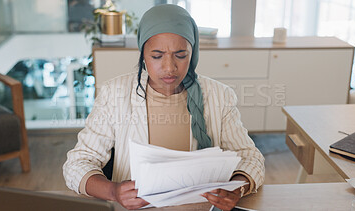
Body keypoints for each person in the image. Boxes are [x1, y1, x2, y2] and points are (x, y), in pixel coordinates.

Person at [63, 4, 265, 211]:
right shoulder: (114, 94)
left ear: (193, 53)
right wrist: (113, 191)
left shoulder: (219, 95)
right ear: (143, 54)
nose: (169, 67)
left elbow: (251, 157)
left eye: (180, 55)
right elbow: (77, 164)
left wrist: (237, 188)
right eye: (157, 56)